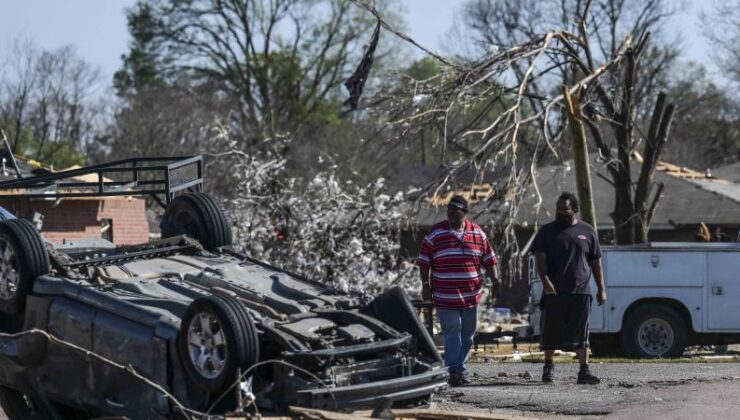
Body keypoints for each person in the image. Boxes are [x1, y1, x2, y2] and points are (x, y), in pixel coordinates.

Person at [418, 195, 499, 386]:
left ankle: (459, 368)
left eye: (456, 211)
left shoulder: (477, 234)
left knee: (468, 334)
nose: (452, 214)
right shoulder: (436, 233)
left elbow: (490, 260)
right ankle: (454, 371)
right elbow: (423, 261)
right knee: (452, 330)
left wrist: (496, 282)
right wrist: (425, 286)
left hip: (471, 295)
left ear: (464, 213)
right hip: (445, 294)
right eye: (449, 211)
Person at [531, 192, 606, 385]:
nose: (560, 212)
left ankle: (584, 371)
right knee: (550, 331)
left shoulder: (587, 231)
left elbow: (596, 263)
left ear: (574, 209)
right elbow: (540, 259)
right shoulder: (547, 231)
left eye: (564, 209)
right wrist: (545, 281)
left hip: (581, 292)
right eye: (558, 208)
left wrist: (601, 288)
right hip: (554, 291)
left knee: (581, 333)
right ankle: (548, 368)